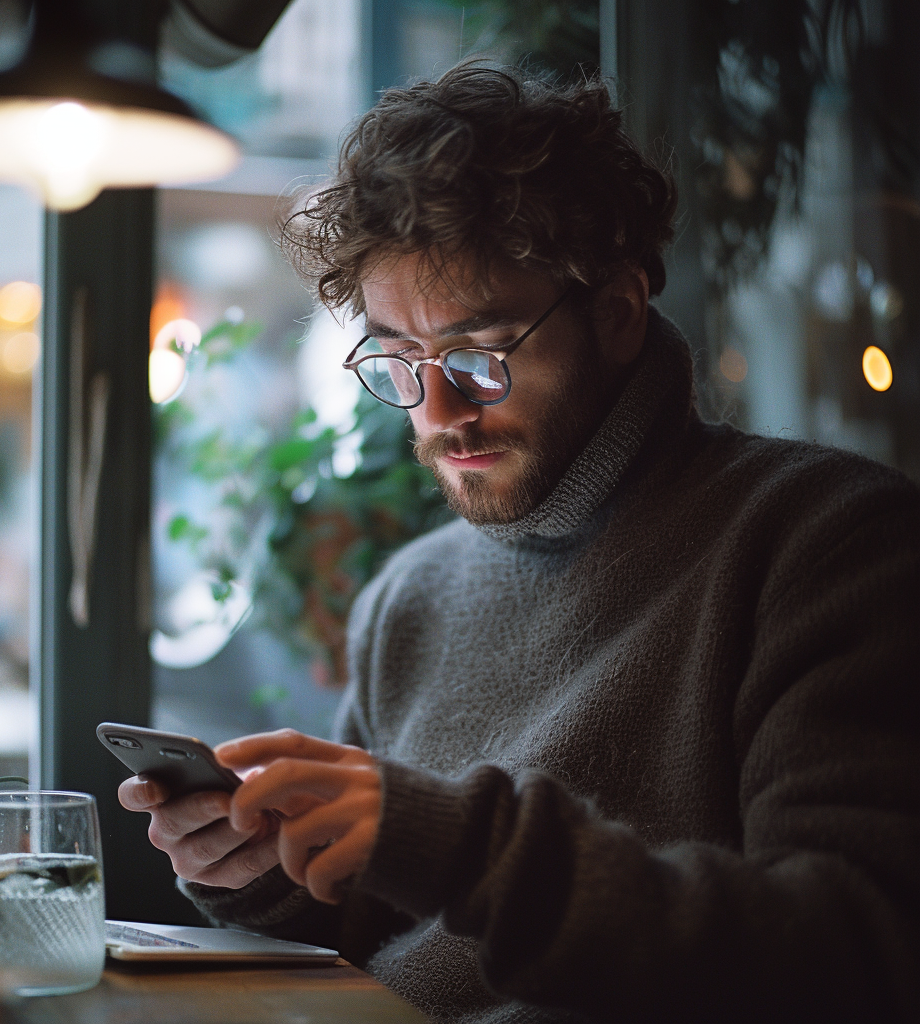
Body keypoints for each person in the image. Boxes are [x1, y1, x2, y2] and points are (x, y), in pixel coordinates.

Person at [120, 63, 920, 1023]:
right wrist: (258, 872)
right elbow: (377, 928)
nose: (439, 410)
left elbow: (858, 952)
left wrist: (465, 848)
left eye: (478, 353)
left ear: (617, 312)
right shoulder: (405, 599)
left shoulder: (825, 545)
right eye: (399, 360)